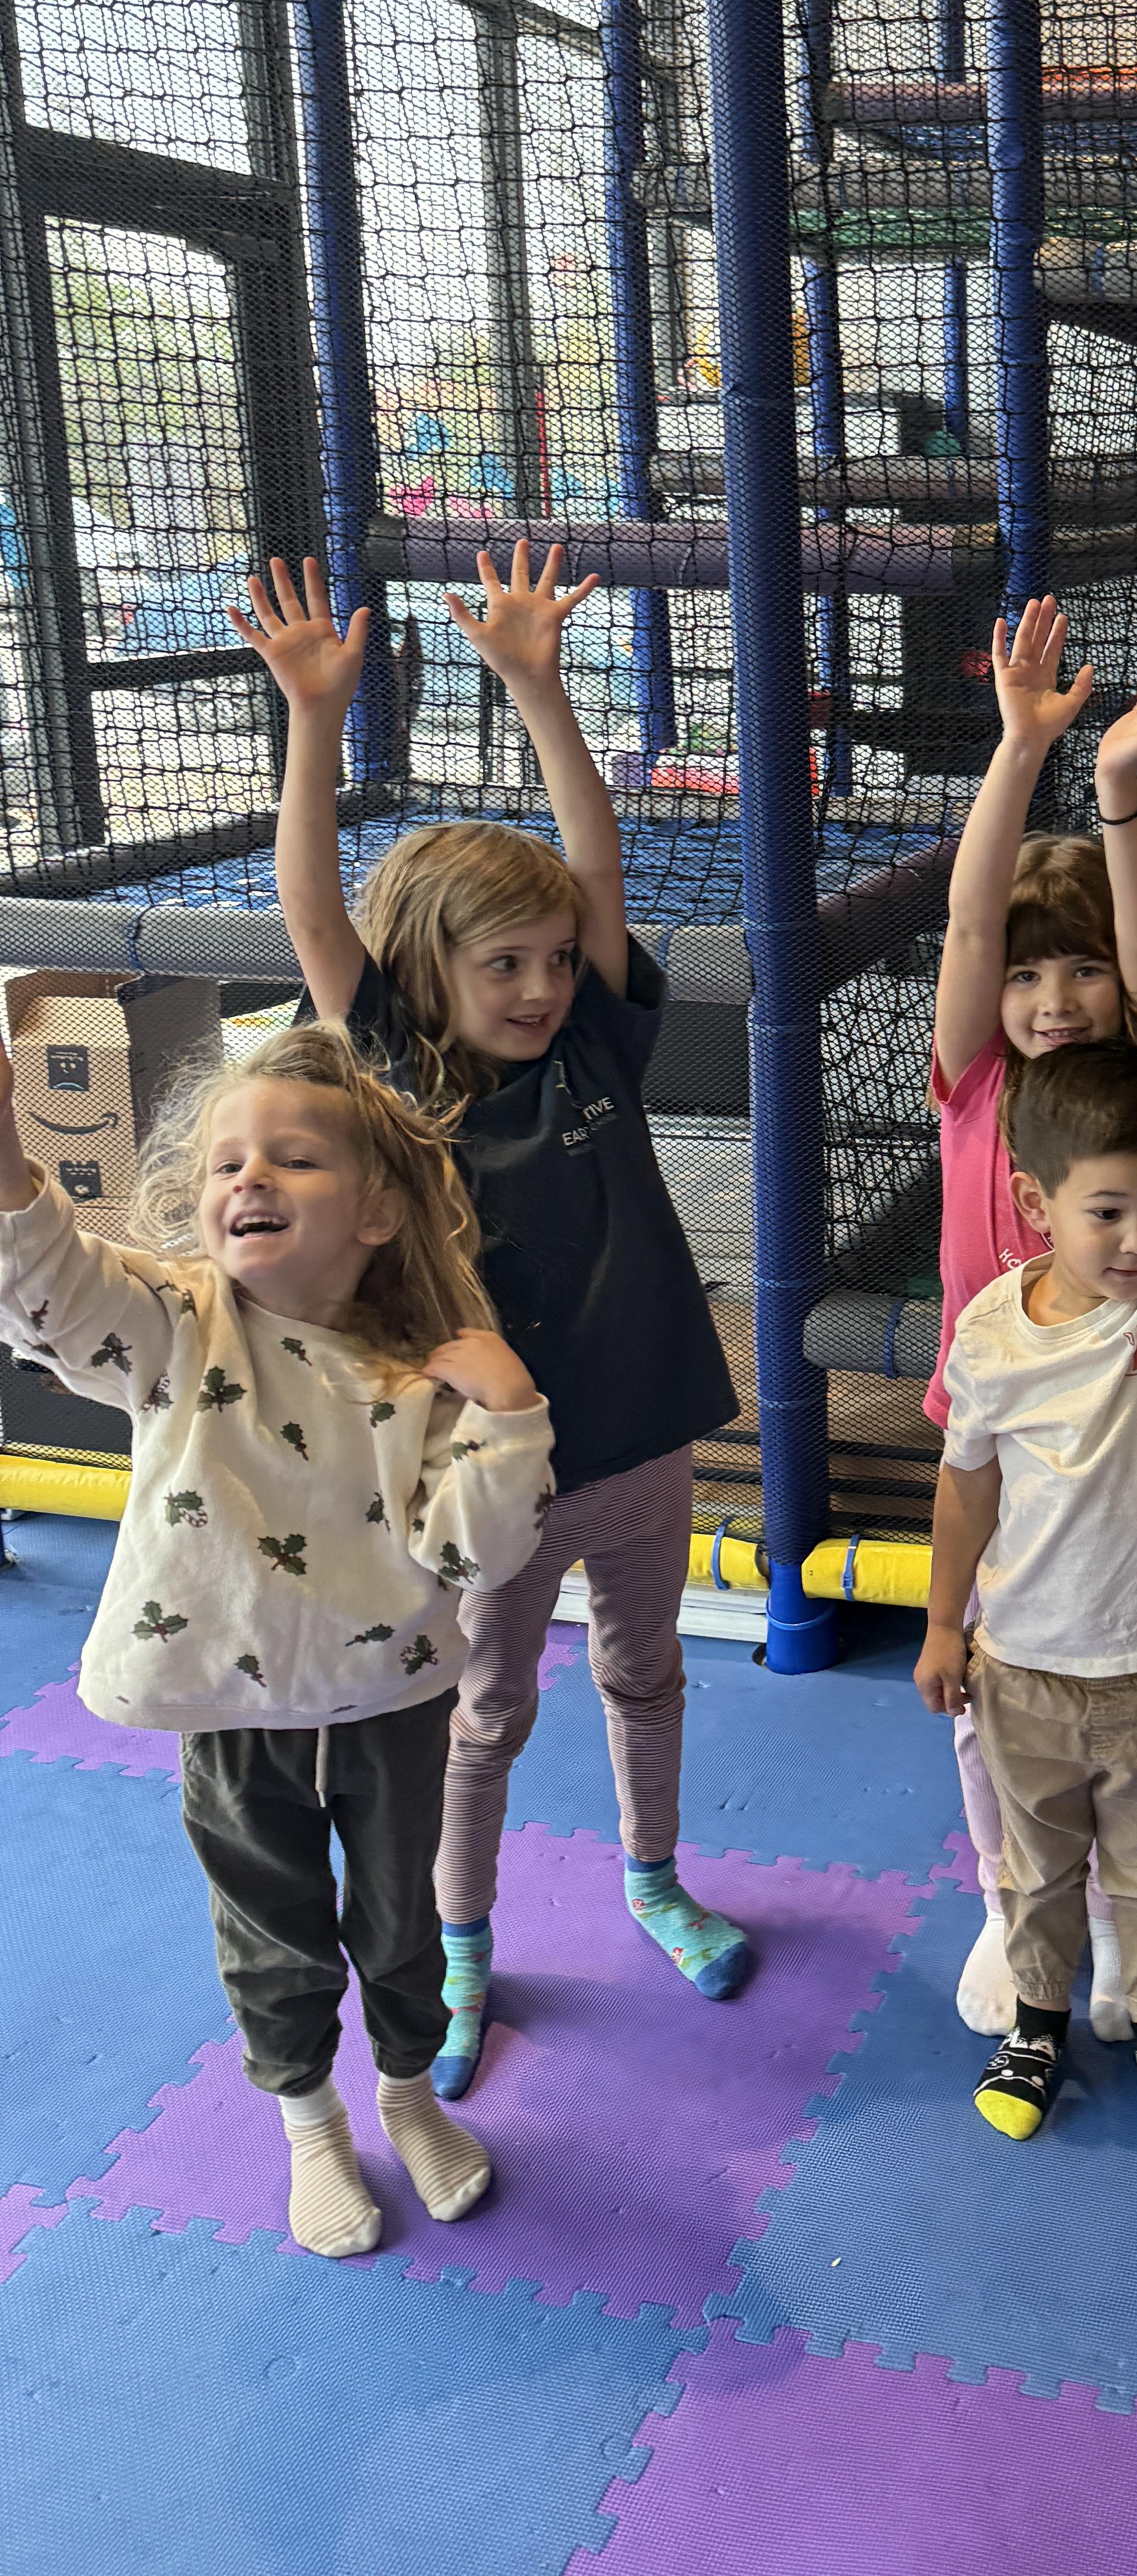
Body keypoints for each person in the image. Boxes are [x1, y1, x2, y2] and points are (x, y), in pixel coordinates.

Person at [235, 545, 745, 2100]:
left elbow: (594, 867)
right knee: (487, 1713)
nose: (537, 986)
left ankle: (655, 1878)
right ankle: (462, 1945)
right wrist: (316, 720)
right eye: (502, 965)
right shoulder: (392, 1078)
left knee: (647, 1675)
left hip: (643, 1443)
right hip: (492, 1478)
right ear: (426, 973)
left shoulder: (592, 1049)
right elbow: (311, 909)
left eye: (551, 962)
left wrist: (539, 685)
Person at [0, 1025, 553, 2259]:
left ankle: (406, 2098)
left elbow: (478, 1556)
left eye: (293, 1159)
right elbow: (48, 1294)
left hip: (390, 1701)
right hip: (235, 1713)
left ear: (376, 1213)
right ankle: (311, 2123)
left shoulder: (420, 1373)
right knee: (272, 1938)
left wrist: (510, 1413)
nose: (249, 1177)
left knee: (403, 1927)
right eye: (226, 1163)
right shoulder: (175, 1326)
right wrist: (5, 1149)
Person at [925, 590, 1137, 2043]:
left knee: (1122, 1700)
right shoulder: (976, 1078)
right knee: (998, 1690)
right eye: (1030, 973)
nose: (1053, 998)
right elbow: (971, 916)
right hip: (997, 1413)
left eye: (1082, 968)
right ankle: (1010, 1898)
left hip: (1126, 1433)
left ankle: (1117, 1919)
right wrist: (1018, 749)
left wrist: (1115, 795)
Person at [914, 923, 1137, 2155]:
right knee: (1036, 1868)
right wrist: (942, 1625)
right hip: (1026, 1664)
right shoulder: (992, 1335)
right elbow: (965, 1489)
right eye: (1106, 1212)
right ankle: (1038, 2019)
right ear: (1033, 1202)